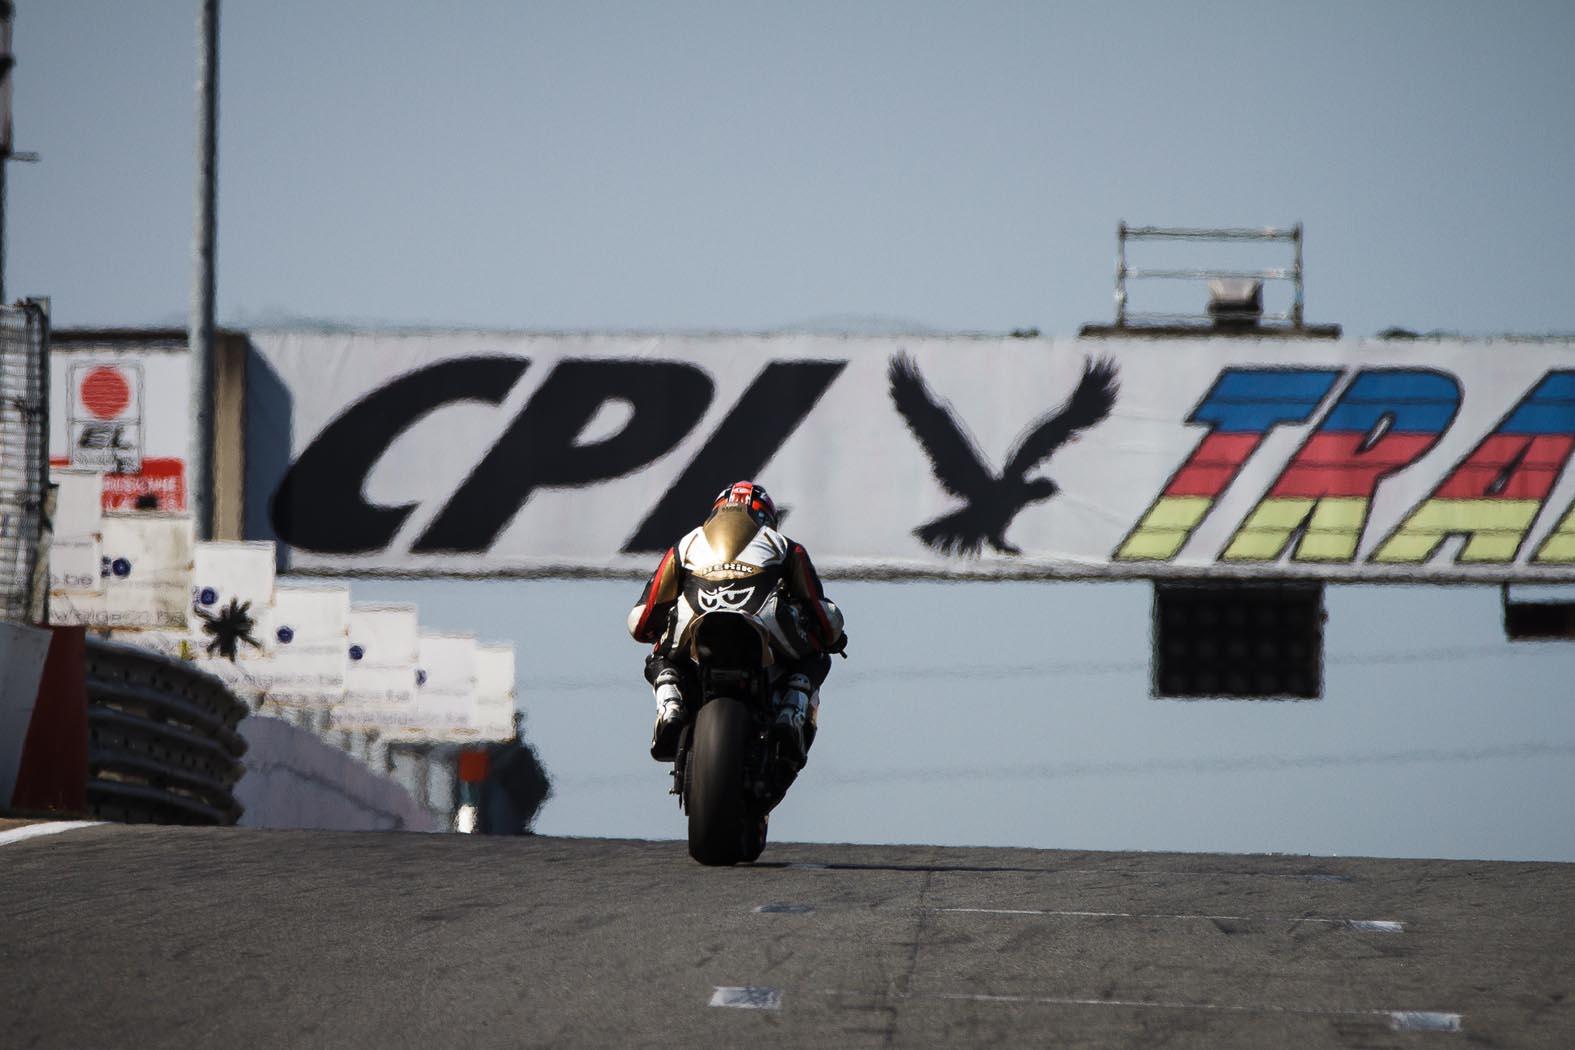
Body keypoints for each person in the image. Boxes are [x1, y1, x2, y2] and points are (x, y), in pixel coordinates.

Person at [628, 480, 846, 766]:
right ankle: (791, 711)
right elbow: (822, 615)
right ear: (767, 517)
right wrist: (829, 637)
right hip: (766, 620)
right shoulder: (784, 546)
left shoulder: (686, 543)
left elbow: (641, 620)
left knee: (659, 657)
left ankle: (670, 706)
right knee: (816, 656)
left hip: (693, 616)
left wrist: (658, 629)